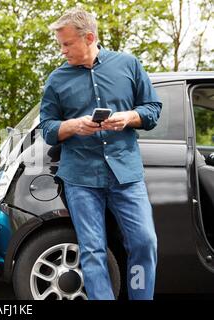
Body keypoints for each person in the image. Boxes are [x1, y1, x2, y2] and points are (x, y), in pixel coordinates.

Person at [39, 7, 162, 300]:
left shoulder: (128, 65)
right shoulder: (57, 80)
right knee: (92, 250)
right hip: (80, 178)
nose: (62, 50)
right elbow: (46, 128)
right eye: (61, 44)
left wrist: (128, 117)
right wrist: (72, 126)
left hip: (126, 175)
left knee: (145, 242)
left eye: (67, 43)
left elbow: (152, 110)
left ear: (89, 37)